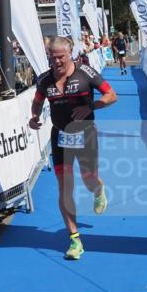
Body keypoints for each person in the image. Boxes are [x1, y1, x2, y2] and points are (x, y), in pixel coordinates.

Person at [29, 37, 118, 260]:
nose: (57, 61)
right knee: (65, 187)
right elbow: (38, 101)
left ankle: (98, 189)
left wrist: (91, 106)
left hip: (85, 135)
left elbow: (111, 95)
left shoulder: (86, 72)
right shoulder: (44, 80)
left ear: (70, 54)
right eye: (53, 57)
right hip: (59, 136)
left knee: (89, 181)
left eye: (61, 56)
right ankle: (75, 240)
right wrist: (34, 117)